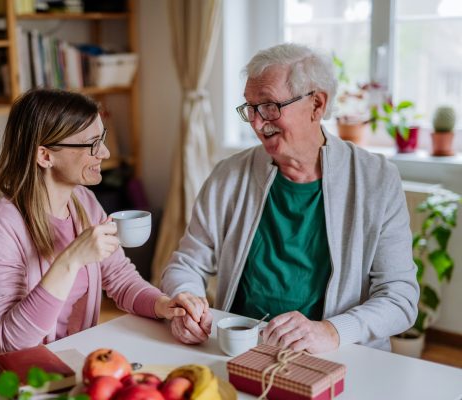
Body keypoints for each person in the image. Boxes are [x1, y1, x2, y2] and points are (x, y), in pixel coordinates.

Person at [160, 43, 419, 353]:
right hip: (243, 347)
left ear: (317, 105)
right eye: (250, 108)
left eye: (269, 105)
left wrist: (331, 331)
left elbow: (400, 298)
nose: (257, 122)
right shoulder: (228, 176)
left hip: (339, 353)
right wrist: (187, 300)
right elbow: (186, 264)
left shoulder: (375, 179)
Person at [0, 89, 203, 376]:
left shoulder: (83, 202)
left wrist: (163, 304)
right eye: (91, 144)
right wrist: (71, 260)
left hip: (62, 365)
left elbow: (120, 278)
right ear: (45, 156)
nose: (105, 153)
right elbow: (13, 342)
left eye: (102, 138)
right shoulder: (0, 224)